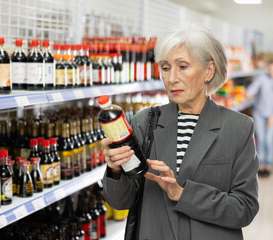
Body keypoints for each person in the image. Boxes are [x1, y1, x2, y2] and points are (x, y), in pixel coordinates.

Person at [102, 25, 259, 240]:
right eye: (165, 68)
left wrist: (183, 194)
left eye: (183, 66)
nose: (172, 78)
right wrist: (115, 170)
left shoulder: (238, 127)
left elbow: (245, 208)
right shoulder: (145, 122)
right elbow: (121, 202)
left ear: (209, 71)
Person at [246, 59, 273, 177]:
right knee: (261, 139)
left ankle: (268, 164)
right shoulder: (262, 78)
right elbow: (253, 88)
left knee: (269, 140)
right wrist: (248, 93)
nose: (272, 72)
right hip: (259, 112)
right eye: (270, 69)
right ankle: (259, 165)